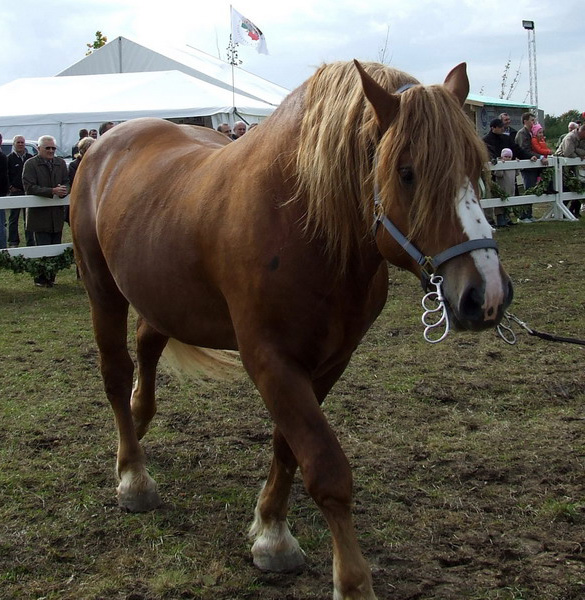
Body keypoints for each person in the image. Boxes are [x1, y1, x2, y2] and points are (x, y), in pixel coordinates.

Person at [22, 135, 69, 286]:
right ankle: (41, 278)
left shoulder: (60, 163)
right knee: (42, 247)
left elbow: (67, 182)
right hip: (39, 214)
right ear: (39, 148)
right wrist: (51, 191)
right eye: (47, 148)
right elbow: (29, 187)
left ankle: (51, 277)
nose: (50, 151)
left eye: (53, 148)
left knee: (55, 246)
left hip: (56, 213)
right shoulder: (30, 164)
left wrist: (64, 190)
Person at [515, 112, 548, 221]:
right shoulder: (522, 133)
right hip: (527, 166)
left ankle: (529, 214)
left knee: (532, 189)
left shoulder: (531, 133)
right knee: (528, 189)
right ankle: (523, 215)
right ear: (525, 121)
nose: (534, 122)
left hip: (533, 166)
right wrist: (539, 156)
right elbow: (524, 150)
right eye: (532, 120)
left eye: (534, 120)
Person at [7, 135, 34, 247]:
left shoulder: (30, 157)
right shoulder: (9, 158)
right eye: (18, 142)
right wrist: (10, 186)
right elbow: (5, 174)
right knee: (13, 218)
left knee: (28, 218)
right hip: (15, 192)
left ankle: (30, 242)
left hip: (27, 192)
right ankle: (13, 241)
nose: (21, 144)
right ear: (14, 144)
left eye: (22, 142)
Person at [555, 124, 585, 218]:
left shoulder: (581, 139)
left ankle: (574, 210)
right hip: (562, 165)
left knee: (580, 185)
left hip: (574, 166)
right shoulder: (570, 137)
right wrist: (579, 154)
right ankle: (562, 210)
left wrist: (576, 150)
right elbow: (568, 153)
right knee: (566, 187)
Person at [493, 148, 518, 227]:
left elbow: (517, 173)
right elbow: (498, 174)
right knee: (500, 206)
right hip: (502, 188)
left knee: (509, 204)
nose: (507, 158)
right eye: (506, 156)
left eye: (509, 157)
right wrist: (500, 165)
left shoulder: (511, 165)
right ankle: (501, 221)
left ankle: (508, 219)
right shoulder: (501, 164)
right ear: (502, 156)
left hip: (511, 188)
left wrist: (517, 163)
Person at [0, 133, 8, 249]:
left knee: (1, 225)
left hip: (1, 194)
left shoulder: (2, 157)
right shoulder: (2, 157)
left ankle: (2, 249)